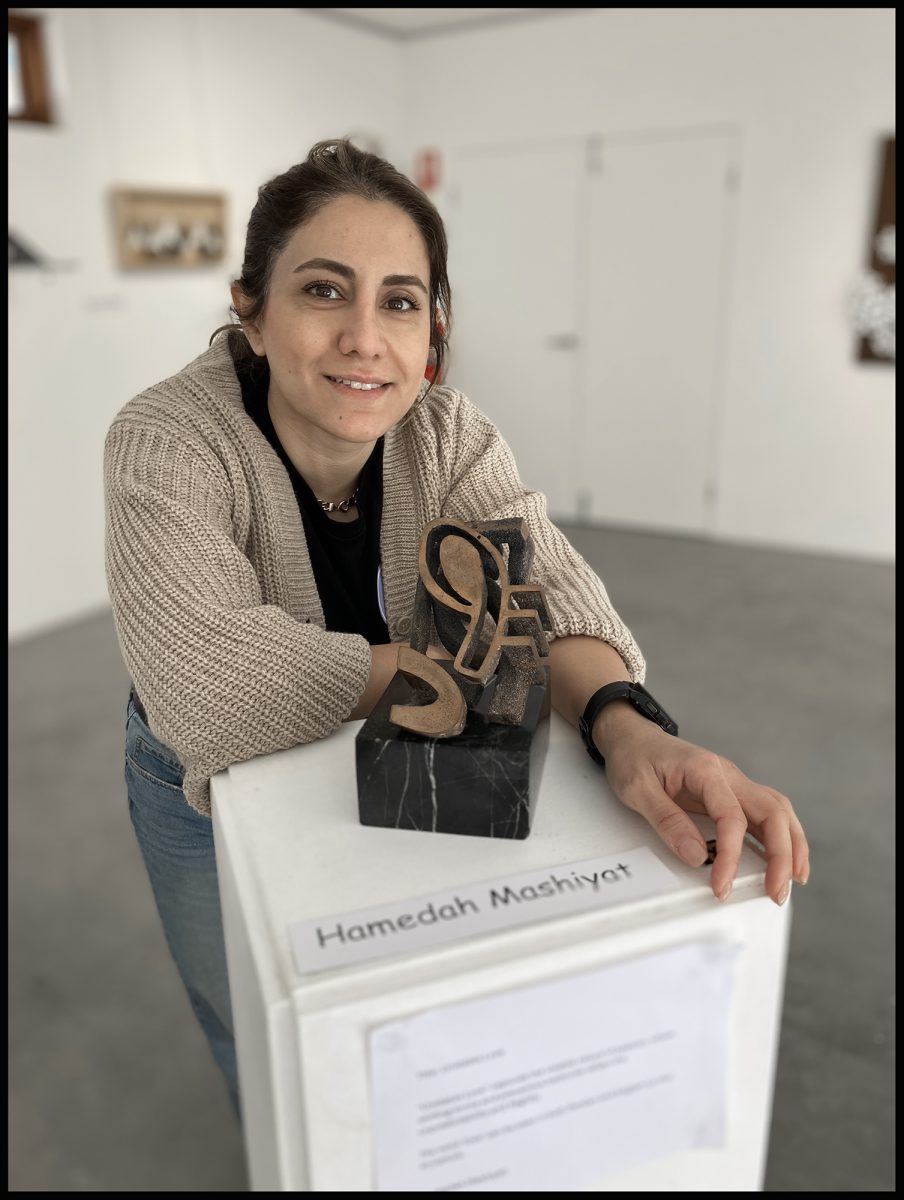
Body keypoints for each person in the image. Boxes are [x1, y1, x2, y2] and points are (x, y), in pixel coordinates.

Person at [103, 138, 810, 1119]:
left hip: (400, 740)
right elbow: (207, 678)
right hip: (203, 783)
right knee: (252, 1015)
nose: (366, 338)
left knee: (386, 1002)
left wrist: (628, 726)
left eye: (399, 300)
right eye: (322, 291)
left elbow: (551, 594)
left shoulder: (447, 431)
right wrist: (468, 667)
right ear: (251, 311)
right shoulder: (167, 438)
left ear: (430, 324)